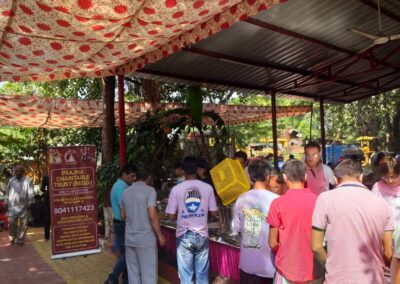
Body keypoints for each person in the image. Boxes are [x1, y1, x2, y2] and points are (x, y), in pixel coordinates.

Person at [312, 159, 394, 284]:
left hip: (337, 279)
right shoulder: (382, 204)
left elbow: (316, 246)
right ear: (361, 177)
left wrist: (331, 266)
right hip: (373, 278)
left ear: (334, 178)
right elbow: (388, 252)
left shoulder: (325, 199)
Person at [267, 159, 323, 283]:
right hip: (315, 269)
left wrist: (285, 249)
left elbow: (272, 242)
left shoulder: (277, 203)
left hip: (288, 269)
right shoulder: (319, 201)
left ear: (285, 177)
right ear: (306, 176)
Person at [165, 156, 218, 284]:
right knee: (202, 275)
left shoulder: (176, 189)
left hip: (183, 235)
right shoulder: (208, 188)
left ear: (183, 170)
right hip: (202, 234)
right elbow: (214, 213)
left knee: (186, 276)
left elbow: (171, 216)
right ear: (197, 170)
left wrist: (182, 211)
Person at [233, 159, 278, 284]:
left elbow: (237, 228)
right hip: (271, 266)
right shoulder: (276, 200)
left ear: (251, 177)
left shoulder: (241, 199)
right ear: (268, 176)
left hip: (248, 264)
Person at [120, 167, 166, 284]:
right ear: (148, 178)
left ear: (135, 177)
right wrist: (160, 236)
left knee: (133, 273)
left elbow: (123, 215)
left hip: (130, 238)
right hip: (145, 239)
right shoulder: (150, 191)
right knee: (148, 274)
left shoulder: (125, 192)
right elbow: (152, 214)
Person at [104, 164, 137, 284]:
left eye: (135, 176)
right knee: (128, 254)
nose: (133, 179)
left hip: (120, 223)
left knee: (125, 253)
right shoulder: (120, 188)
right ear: (124, 175)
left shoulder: (121, 186)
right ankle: (112, 277)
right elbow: (123, 208)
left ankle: (125, 279)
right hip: (122, 223)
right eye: (131, 176)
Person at [372, 158, 400, 282]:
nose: (389, 180)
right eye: (385, 176)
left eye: (393, 177)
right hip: (383, 231)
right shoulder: (377, 187)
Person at [5, 164, 35, 246]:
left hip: (24, 206)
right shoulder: (11, 180)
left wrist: (30, 203)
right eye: (16, 171)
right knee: (11, 223)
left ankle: (20, 239)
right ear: (14, 172)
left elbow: (31, 194)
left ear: (23, 172)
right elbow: (7, 192)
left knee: (23, 225)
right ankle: (12, 237)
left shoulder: (28, 180)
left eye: (20, 171)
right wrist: (6, 201)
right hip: (12, 206)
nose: (18, 173)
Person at [40, 174, 50, 240]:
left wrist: (47, 191)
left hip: (48, 198)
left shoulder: (46, 176)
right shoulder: (58, 173)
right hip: (58, 198)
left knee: (47, 217)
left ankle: (47, 235)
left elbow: (42, 188)